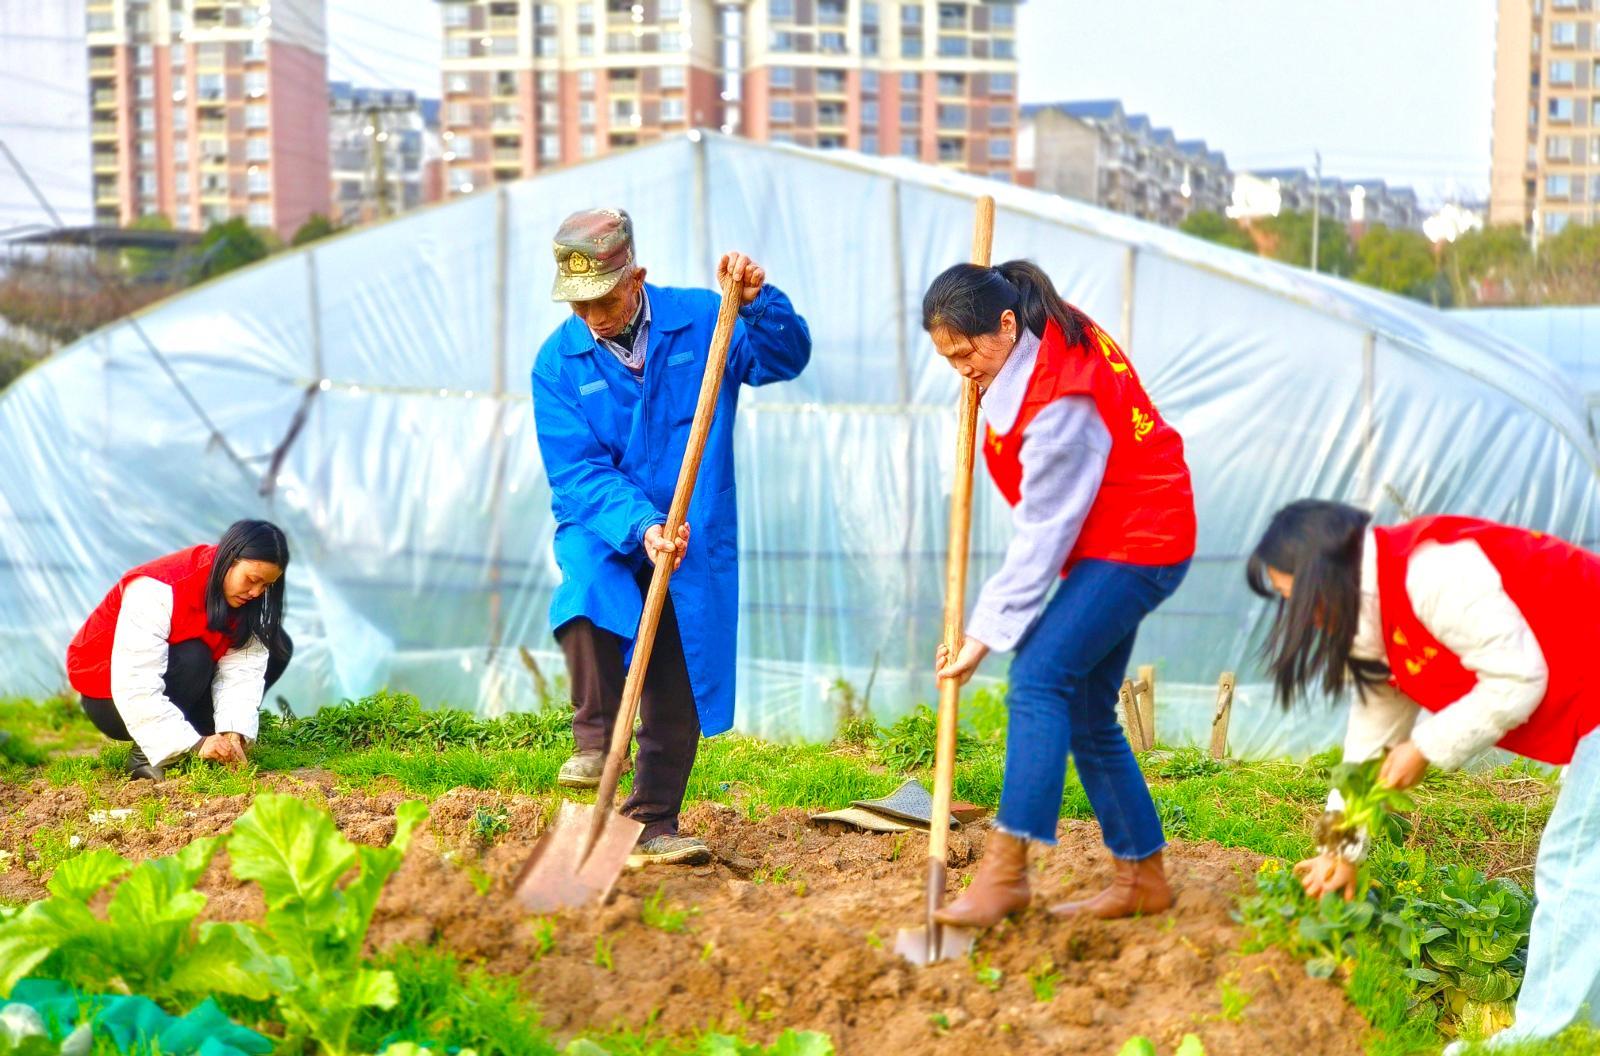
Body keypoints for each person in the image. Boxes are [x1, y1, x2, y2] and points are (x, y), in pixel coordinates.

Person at [1248, 500, 1600, 1053]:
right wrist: (1338, 852)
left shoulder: (1430, 572)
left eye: (1298, 599)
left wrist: (1425, 748)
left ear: (1324, 573)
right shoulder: (1377, 626)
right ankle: (1580, 1030)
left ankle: (1541, 1036)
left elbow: (1517, 679)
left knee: (1575, 858)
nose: (1302, 620)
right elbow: (1368, 749)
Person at [531, 207, 811, 867]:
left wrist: (756, 303)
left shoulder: (701, 319)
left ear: (637, 278)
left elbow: (784, 357)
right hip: (605, 524)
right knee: (590, 594)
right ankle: (595, 741)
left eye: (603, 298)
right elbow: (577, 471)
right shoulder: (558, 363)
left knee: (677, 673)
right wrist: (640, 524)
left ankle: (653, 824)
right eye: (579, 304)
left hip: (694, 526)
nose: (593, 316)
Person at [925, 261, 1196, 927]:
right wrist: (981, 351)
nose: (963, 368)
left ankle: (1008, 871)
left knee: (1039, 679)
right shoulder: (1032, 323)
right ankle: (1143, 878)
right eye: (948, 357)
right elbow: (1055, 526)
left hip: (1140, 539)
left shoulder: (1061, 404)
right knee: (1082, 707)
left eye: (969, 352)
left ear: (1007, 324)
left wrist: (980, 638)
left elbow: (1044, 531)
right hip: (1113, 533)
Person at [66, 520, 293, 780]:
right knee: (194, 656)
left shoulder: (245, 600)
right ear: (229, 558)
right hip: (109, 694)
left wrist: (234, 730)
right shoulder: (158, 588)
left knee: (276, 644)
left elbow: (242, 670)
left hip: (171, 683)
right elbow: (135, 680)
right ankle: (147, 756)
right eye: (252, 580)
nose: (256, 592)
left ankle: (202, 737)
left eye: (266, 586)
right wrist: (194, 743)